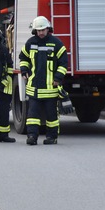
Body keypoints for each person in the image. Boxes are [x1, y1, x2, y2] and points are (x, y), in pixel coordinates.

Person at [19, 16, 68, 145]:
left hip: (50, 88)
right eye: (38, 30)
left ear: (48, 29)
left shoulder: (56, 43)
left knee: (52, 116)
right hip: (34, 87)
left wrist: (58, 78)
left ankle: (52, 137)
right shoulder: (30, 43)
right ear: (35, 30)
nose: (41, 33)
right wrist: (24, 70)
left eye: (43, 30)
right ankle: (32, 137)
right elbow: (23, 57)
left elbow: (63, 63)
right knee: (32, 116)